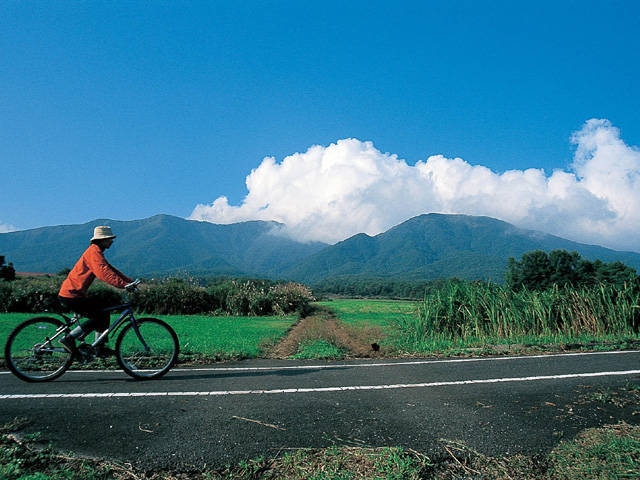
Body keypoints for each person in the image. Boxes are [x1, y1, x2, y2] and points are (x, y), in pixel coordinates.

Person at [58, 225, 134, 354]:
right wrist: (122, 285)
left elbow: (110, 269)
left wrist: (128, 281)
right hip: (71, 295)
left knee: (103, 312)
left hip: (75, 294)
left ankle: (99, 346)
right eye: (109, 239)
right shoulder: (94, 253)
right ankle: (69, 338)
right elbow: (103, 273)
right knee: (99, 315)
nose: (111, 241)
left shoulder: (96, 252)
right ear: (102, 240)